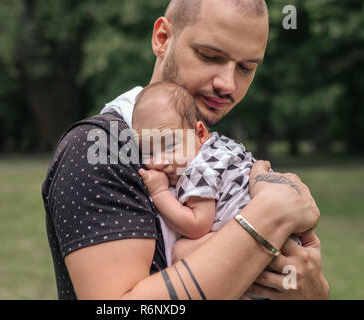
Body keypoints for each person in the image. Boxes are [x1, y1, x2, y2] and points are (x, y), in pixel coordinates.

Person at [43, 0, 329, 299]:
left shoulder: (206, 148)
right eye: (210, 56)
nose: (228, 84)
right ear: (162, 38)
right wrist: (270, 215)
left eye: (246, 68)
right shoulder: (99, 147)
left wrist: (315, 291)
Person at [132, 81, 301, 299]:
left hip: (266, 247)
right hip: (282, 242)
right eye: (149, 152)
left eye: (170, 145)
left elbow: (197, 225)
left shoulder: (199, 168)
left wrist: (160, 193)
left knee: (182, 251)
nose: (160, 161)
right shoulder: (223, 147)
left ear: (200, 133)